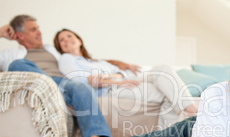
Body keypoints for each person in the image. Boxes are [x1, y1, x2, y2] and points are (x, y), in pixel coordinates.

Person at [0, 15, 116, 137]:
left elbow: (84, 58)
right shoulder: (10, 54)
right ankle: (54, 90)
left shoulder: (53, 50)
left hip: (64, 86)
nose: (39, 32)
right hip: (37, 87)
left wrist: (119, 64)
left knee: (80, 86)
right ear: (20, 35)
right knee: (17, 65)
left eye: (38, 28)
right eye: (33, 29)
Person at [53, 29, 198, 128]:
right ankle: (189, 116)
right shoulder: (66, 59)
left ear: (79, 40)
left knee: (163, 69)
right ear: (60, 47)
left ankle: (190, 110)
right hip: (110, 90)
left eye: (69, 36)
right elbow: (85, 81)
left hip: (122, 82)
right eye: (61, 40)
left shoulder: (97, 62)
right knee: (166, 92)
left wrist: (117, 77)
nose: (66, 40)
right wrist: (118, 81)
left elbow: (121, 73)